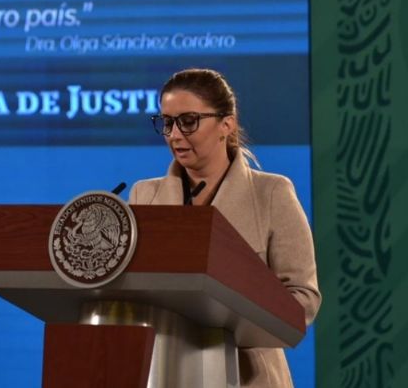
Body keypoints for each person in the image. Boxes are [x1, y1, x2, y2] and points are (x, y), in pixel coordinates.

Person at [128, 68, 321, 387]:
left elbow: (303, 300)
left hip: (250, 376)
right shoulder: (144, 195)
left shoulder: (272, 193)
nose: (175, 135)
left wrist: (230, 314)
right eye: (166, 122)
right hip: (163, 372)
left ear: (226, 124)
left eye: (188, 121)